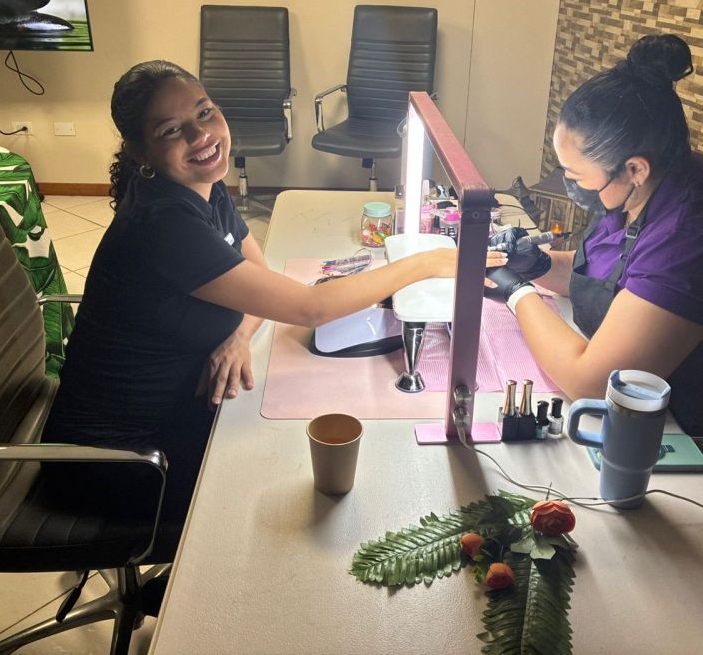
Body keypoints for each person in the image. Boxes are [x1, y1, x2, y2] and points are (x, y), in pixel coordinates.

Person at [42, 60, 506, 557]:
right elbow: (308, 308)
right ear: (141, 152)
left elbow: (259, 271)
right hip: (119, 462)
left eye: (205, 112)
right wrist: (427, 263)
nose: (202, 136)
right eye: (172, 130)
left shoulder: (202, 187)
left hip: (175, 412)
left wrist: (238, 335)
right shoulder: (164, 223)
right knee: (299, 497)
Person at [486, 34, 703, 505]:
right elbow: (615, 280)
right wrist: (537, 265)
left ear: (634, 168)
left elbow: (591, 383)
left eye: (577, 176)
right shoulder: (651, 185)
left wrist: (517, 293)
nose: (570, 184)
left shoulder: (694, 232)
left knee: (565, 496)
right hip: (666, 403)